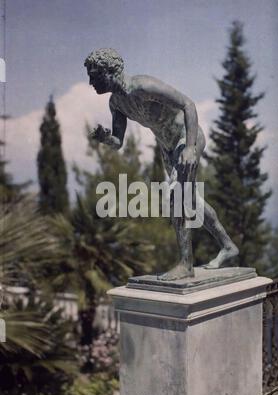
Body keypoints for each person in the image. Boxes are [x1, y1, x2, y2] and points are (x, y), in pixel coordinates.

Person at [84, 48, 238, 280]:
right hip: (167, 146)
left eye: (94, 75)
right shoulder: (116, 103)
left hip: (187, 138)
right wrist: (105, 137)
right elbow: (118, 143)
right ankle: (228, 246)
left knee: (178, 195)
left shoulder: (143, 85)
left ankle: (186, 264)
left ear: (109, 71)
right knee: (192, 201)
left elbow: (188, 105)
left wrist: (189, 149)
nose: (90, 82)